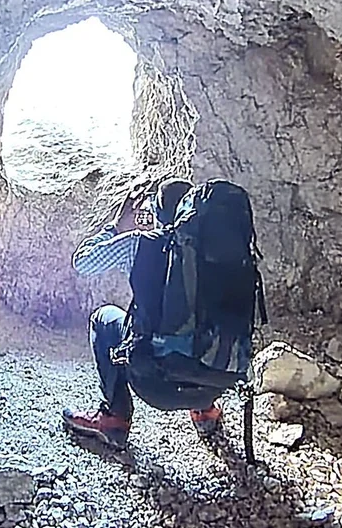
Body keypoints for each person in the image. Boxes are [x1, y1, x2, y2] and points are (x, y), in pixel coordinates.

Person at [61, 176, 227, 450]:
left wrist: (116, 227)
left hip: (154, 385)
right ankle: (206, 411)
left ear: (157, 213)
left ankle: (115, 418)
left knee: (104, 319)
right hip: (214, 381)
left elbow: (83, 262)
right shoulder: (219, 250)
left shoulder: (139, 244)